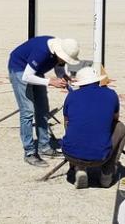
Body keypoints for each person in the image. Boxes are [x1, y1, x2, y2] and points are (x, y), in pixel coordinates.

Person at [7, 36, 79, 167]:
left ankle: (44, 147)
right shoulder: (42, 51)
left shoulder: (57, 51)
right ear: (59, 53)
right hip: (20, 69)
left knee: (42, 109)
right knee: (27, 112)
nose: (65, 61)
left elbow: (59, 67)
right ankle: (29, 153)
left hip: (35, 71)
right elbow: (27, 76)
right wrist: (50, 82)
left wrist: (63, 77)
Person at [62, 66, 125, 189]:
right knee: (120, 127)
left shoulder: (72, 96)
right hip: (100, 157)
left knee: (71, 124)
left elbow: (67, 121)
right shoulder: (111, 94)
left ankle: (79, 168)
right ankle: (107, 172)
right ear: (97, 80)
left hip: (70, 154)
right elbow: (115, 118)